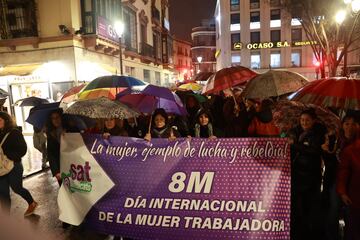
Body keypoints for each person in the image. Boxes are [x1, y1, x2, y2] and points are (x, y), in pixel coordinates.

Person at [288, 109, 326, 240]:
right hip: (296, 174)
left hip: (311, 176)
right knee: (295, 206)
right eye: (302, 120)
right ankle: (296, 231)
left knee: (308, 207)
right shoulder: (295, 131)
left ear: (314, 121)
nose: (304, 122)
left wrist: (295, 145)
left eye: (307, 120)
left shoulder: (319, 133)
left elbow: (314, 151)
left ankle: (308, 233)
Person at [0, 112, 38, 216]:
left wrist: (9, 155)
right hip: (1, 168)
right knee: (3, 193)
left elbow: (22, 149)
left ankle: (32, 202)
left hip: (14, 165)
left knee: (17, 188)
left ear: (6, 121)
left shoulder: (14, 133)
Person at [337, 138, 360, 240]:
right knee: (353, 228)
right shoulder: (350, 150)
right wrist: (342, 192)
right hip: (355, 196)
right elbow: (343, 172)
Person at [46, 110, 63, 186]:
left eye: (57, 117)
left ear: (61, 118)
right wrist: (56, 171)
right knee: (64, 190)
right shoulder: (50, 134)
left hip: (73, 166)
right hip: (60, 167)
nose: (55, 120)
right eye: (53, 118)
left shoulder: (70, 128)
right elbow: (50, 154)